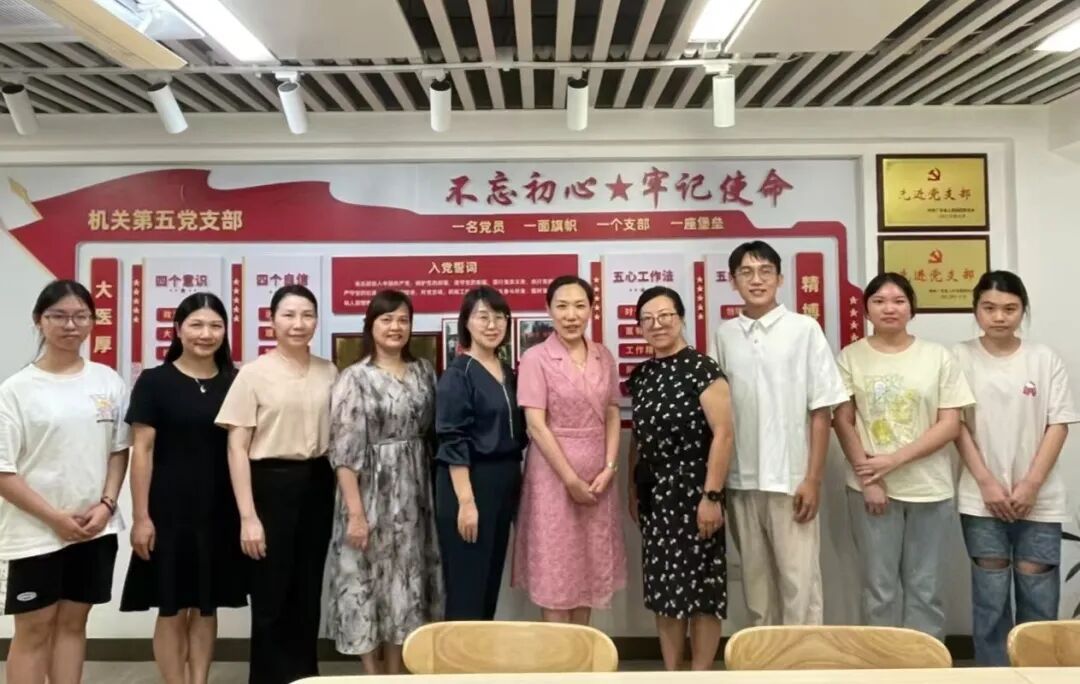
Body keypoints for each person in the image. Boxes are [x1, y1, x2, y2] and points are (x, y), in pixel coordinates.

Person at [0, 279, 130, 684]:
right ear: (39, 321)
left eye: (80, 316)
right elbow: (3, 472)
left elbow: (119, 450)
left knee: (74, 624)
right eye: (58, 316)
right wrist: (55, 518)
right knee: (34, 629)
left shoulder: (107, 381)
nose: (70, 325)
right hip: (35, 531)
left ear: (92, 322)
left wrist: (107, 505)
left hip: (94, 528)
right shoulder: (16, 391)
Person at [712, 241, 848, 626]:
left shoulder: (804, 329)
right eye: (746, 272)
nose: (756, 280)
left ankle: (804, 658)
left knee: (799, 585)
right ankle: (763, 657)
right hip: (741, 481)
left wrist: (813, 479)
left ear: (780, 278)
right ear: (733, 281)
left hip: (792, 481)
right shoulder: (725, 335)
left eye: (765, 271)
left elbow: (821, 409)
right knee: (756, 588)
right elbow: (719, 413)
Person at [833, 272, 974, 640]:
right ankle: (882, 664)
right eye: (879, 301)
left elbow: (950, 424)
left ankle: (925, 664)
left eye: (898, 301)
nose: (889, 308)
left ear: (912, 308)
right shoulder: (851, 356)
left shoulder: (938, 356)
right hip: (871, 490)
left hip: (930, 489)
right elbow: (843, 421)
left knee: (926, 589)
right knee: (878, 589)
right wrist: (869, 479)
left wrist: (893, 460)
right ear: (866, 310)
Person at [119, 292, 247, 684]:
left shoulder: (236, 382)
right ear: (178, 330)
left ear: (225, 331)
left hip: (219, 510)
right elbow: (142, 451)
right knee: (171, 608)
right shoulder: (154, 382)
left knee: (207, 608)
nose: (206, 334)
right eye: (196, 325)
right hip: (168, 512)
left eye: (215, 325)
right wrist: (141, 517)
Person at [952, 271, 1078, 665]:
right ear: (976, 310)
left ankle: (1039, 672)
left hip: (1040, 498)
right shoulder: (958, 358)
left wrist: (1031, 485)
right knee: (989, 596)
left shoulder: (1044, 359)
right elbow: (955, 426)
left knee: (1038, 593)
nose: (999, 317)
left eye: (1010, 308)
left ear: (1023, 310)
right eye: (989, 308)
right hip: (980, 496)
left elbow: (1058, 424)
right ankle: (992, 672)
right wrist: (987, 483)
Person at [215, 285, 338, 684]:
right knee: (270, 592)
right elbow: (237, 448)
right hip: (269, 485)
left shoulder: (329, 371)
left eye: (307, 315)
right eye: (288, 315)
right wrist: (248, 517)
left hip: (318, 483)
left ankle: (305, 676)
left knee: (308, 590)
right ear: (272, 321)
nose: (298, 324)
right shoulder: (253, 374)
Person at [326, 290, 443, 674]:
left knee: (405, 583)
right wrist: (356, 514)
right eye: (386, 319)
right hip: (369, 493)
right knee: (365, 579)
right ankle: (372, 674)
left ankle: (395, 671)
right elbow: (344, 453)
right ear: (370, 326)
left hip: (415, 494)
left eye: (403, 320)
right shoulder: (354, 377)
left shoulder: (424, 371)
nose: (396, 327)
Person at [626, 286, 733, 671]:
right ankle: (672, 673)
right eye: (648, 319)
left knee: (703, 590)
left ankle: (700, 674)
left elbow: (724, 434)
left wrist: (712, 496)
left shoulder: (703, 369)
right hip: (656, 495)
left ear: (681, 317)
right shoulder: (642, 376)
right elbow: (637, 439)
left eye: (665, 316)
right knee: (664, 590)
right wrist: (632, 490)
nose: (657, 325)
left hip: (697, 492)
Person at [512, 275, 627, 624]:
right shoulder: (536, 357)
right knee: (556, 568)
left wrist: (610, 467)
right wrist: (570, 480)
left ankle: (583, 652)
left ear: (591, 309)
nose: (571, 315)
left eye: (579, 306)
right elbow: (536, 425)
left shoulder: (603, 356)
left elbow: (612, 411)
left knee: (588, 567)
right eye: (562, 306)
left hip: (598, 478)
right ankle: (559, 654)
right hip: (553, 478)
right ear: (549, 309)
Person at [434, 286, 527, 621]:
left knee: (488, 580)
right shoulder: (458, 375)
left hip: (504, 480)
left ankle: (479, 650)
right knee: (467, 583)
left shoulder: (508, 372)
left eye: (499, 317)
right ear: (466, 323)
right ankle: (458, 654)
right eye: (483, 316)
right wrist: (467, 502)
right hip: (470, 481)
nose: (492, 325)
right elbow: (452, 440)